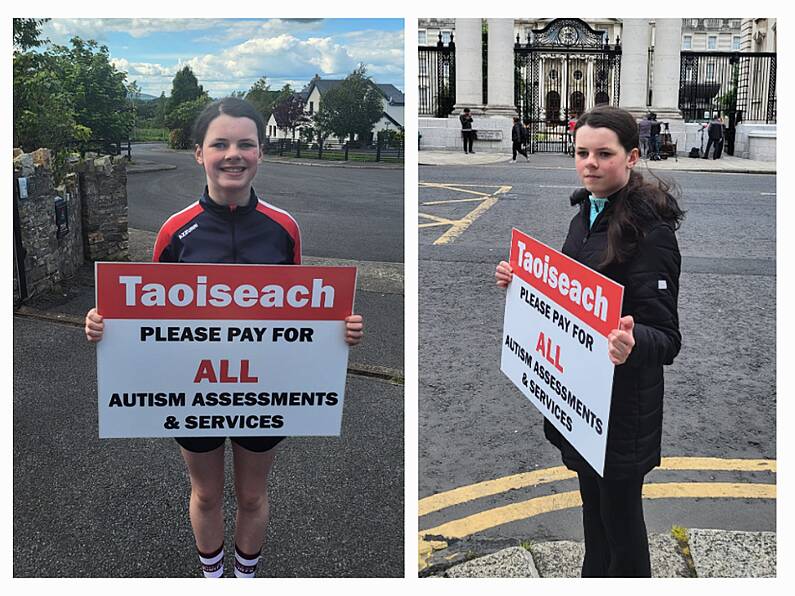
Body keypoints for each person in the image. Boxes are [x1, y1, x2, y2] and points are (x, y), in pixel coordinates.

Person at [84, 97, 364, 578]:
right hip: (194, 389)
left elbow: (300, 316)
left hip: (264, 388)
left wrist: (338, 331)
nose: (233, 154)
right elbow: (145, 320)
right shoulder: (175, 232)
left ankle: (245, 577)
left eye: (245, 144)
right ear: (199, 153)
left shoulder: (284, 229)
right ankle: (214, 577)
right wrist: (105, 326)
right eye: (220, 144)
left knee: (252, 494)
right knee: (207, 493)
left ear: (261, 153)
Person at [495, 105, 683, 577]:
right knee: (594, 521)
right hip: (581, 404)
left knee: (621, 529)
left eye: (604, 153)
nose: (590, 163)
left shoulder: (651, 232)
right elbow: (565, 296)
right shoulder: (585, 214)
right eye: (582, 153)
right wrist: (522, 282)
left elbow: (667, 337)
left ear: (633, 157)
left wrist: (631, 340)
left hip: (622, 410)